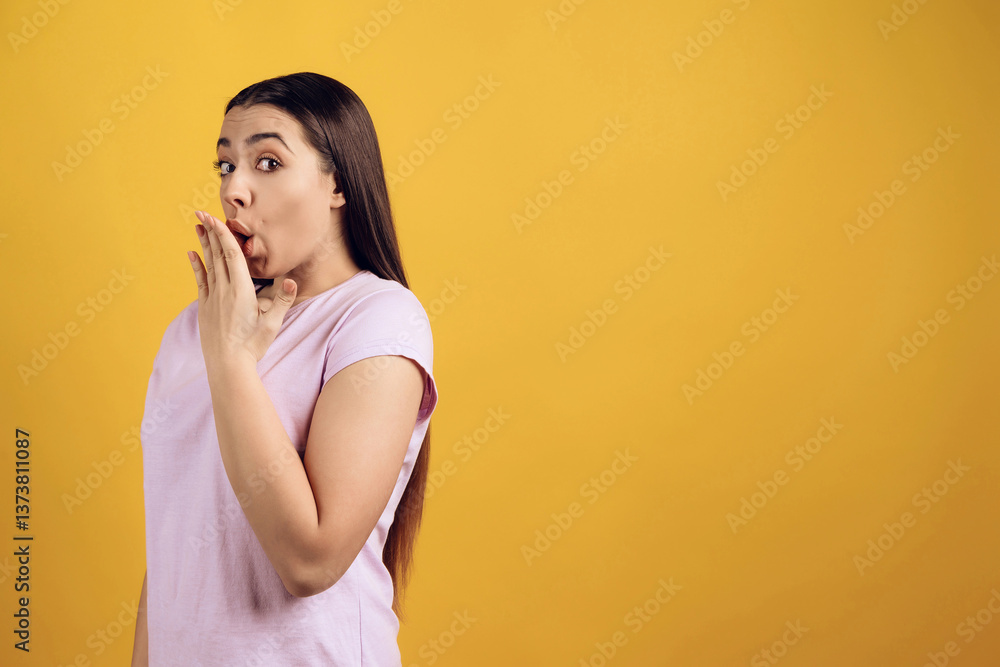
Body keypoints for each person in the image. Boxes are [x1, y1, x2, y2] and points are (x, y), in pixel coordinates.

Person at [131, 72, 439, 666]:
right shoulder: (193, 329)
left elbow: (309, 562)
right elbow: (171, 555)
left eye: (268, 163)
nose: (234, 190)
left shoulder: (378, 317)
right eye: (226, 165)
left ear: (338, 184)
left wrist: (231, 361)